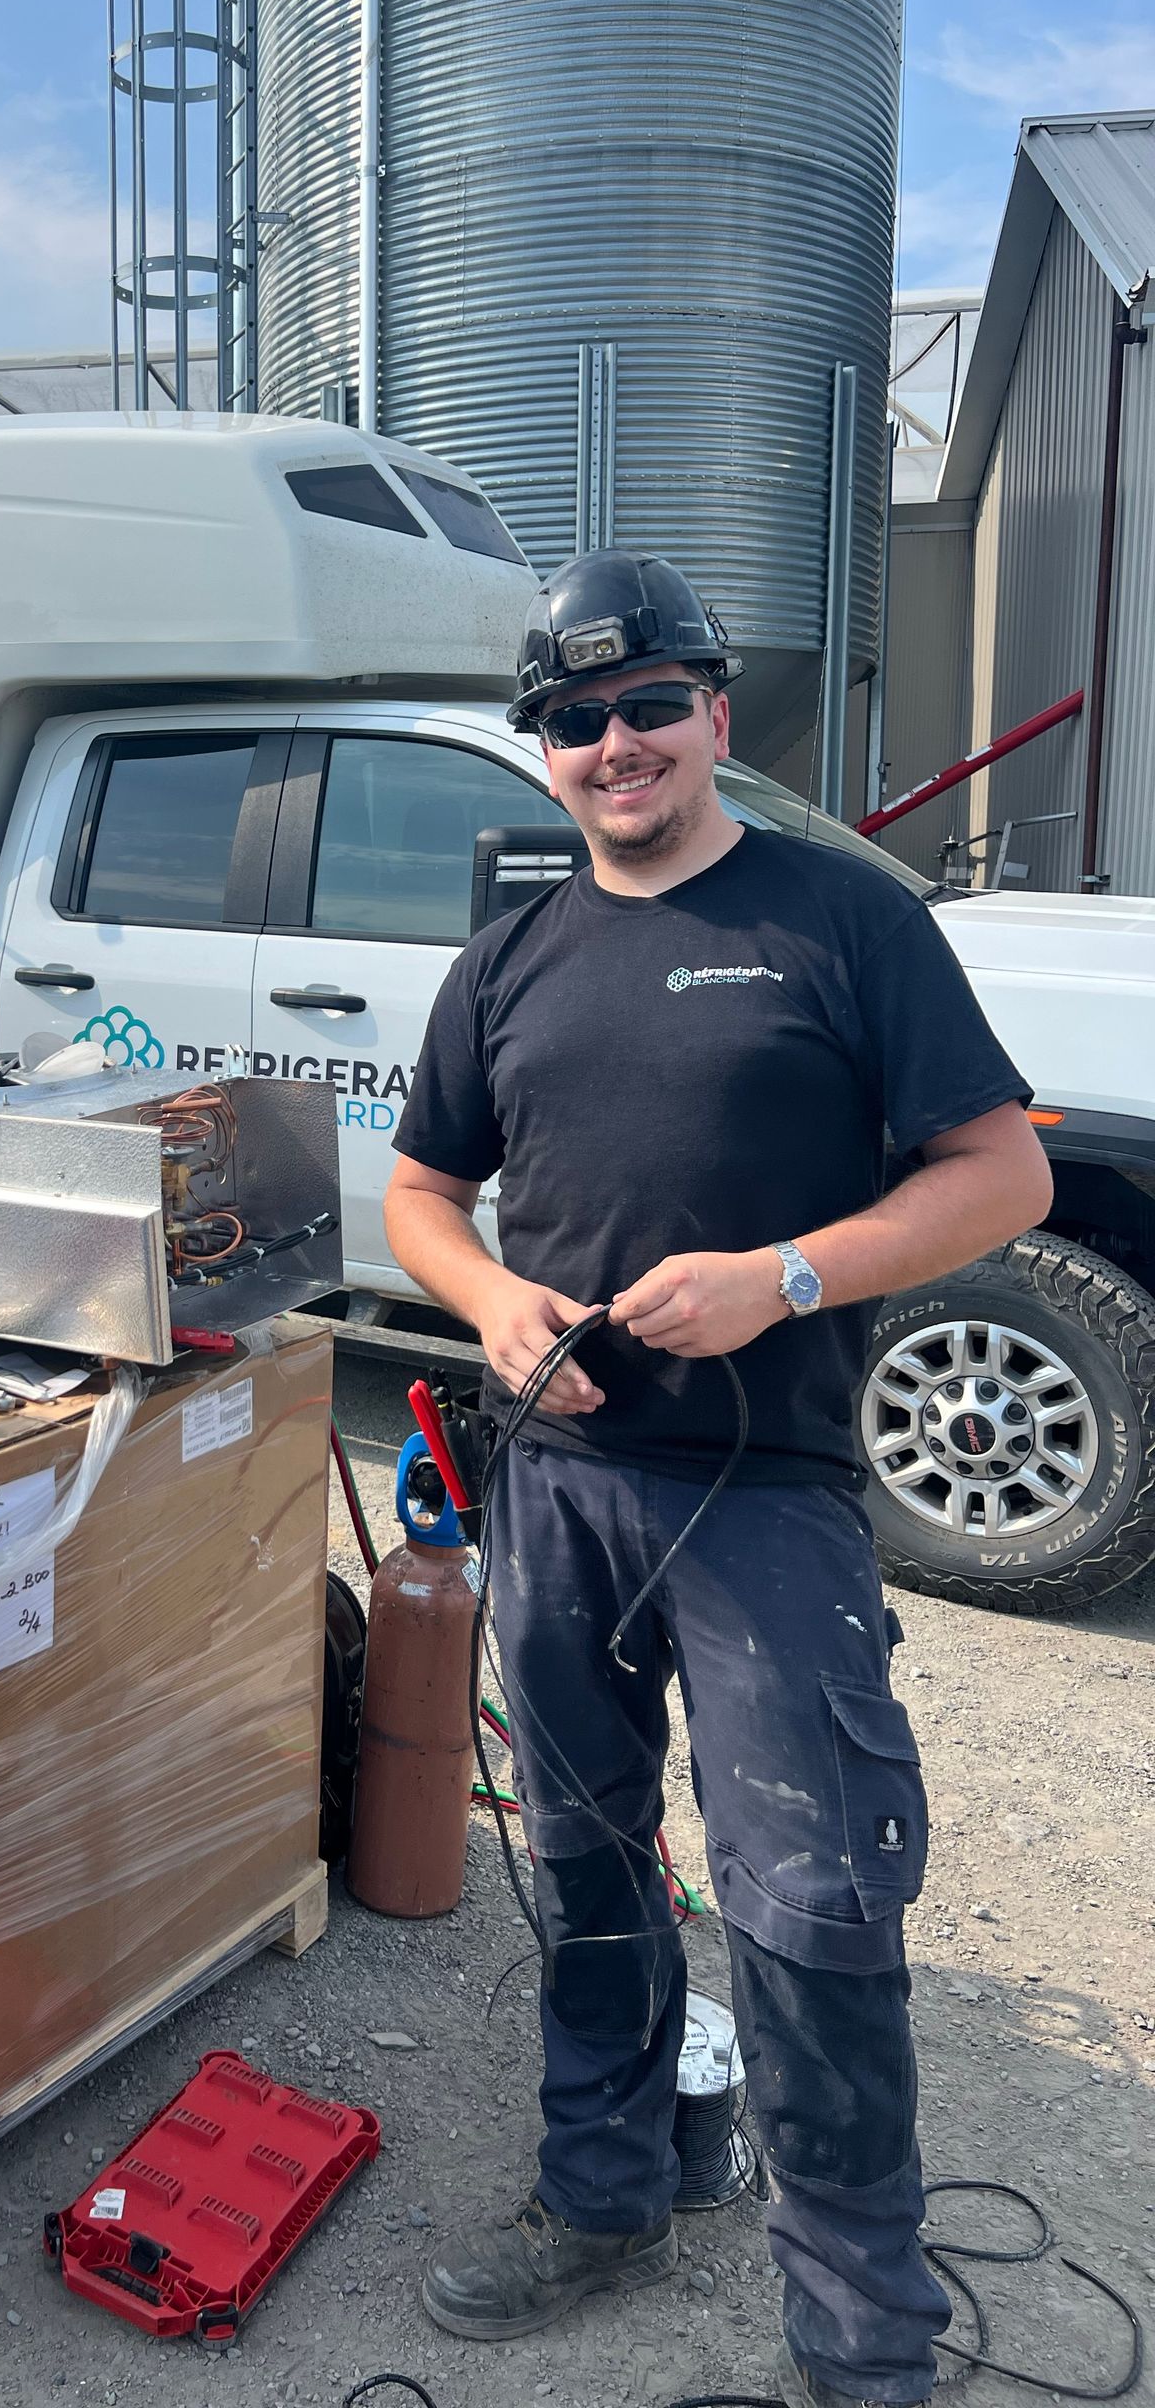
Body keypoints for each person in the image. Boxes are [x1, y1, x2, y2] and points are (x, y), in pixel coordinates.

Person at [383, 551, 1052, 2408]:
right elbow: (420, 1194)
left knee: (814, 1907)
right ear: (547, 752)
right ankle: (604, 2197)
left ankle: (863, 2347)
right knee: (588, 1867)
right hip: (562, 1486)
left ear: (713, 718)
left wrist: (790, 1277)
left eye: (647, 709)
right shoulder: (510, 957)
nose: (615, 747)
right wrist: (490, 1297)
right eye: (577, 722)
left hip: (767, 1501)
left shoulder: (846, 919)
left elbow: (1005, 1180)